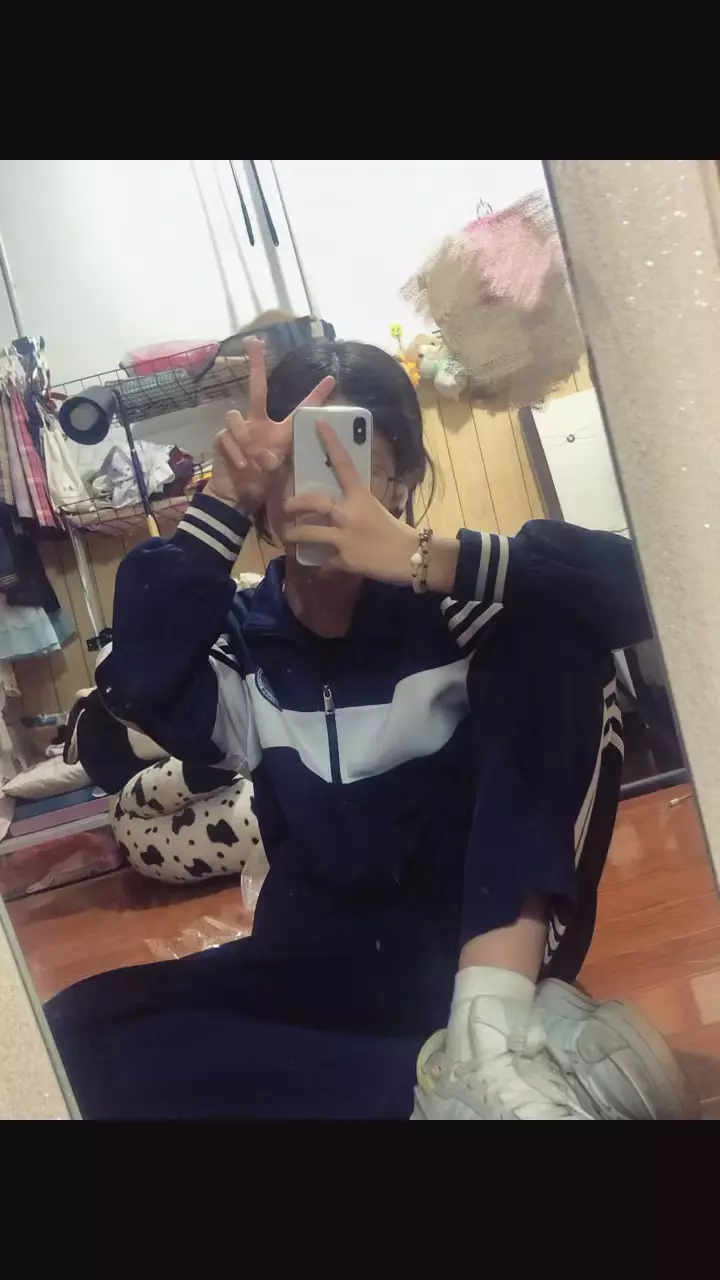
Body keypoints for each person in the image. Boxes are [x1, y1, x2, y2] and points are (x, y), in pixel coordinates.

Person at [45, 338, 696, 1120]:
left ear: (403, 477)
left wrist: (423, 555)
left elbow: (658, 584)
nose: (319, 492)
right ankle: (480, 1082)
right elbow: (139, 685)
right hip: (313, 968)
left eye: (356, 463)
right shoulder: (247, 640)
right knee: (69, 1036)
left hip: (468, 952)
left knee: (554, 629)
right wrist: (221, 505)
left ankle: (486, 1035)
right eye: (296, 465)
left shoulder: (462, 608)